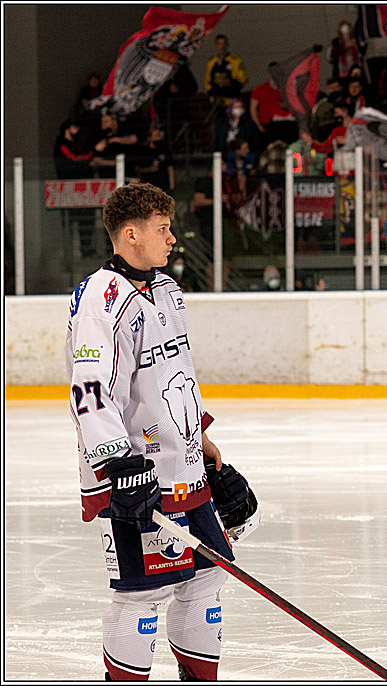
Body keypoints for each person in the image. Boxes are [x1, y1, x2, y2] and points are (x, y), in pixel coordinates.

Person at [67, 183, 252, 679]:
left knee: (208, 577)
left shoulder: (166, 290)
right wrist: (117, 464)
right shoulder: (101, 300)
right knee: (142, 595)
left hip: (183, 465)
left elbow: (176, 374)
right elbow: (89, 389)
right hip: (134, 473)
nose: (173, 239)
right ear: (130, 234)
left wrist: (201, 438)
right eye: (163, 229)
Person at [204, 34, 248, 109]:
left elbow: (243, 80)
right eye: (219, 44)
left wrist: (228, 82)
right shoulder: (212, 62)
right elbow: (208, 82)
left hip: (232, 100)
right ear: (216, 46)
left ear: (227, 45)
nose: (221, 47)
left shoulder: (235, 60)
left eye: (223, 44)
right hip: (216, 102)